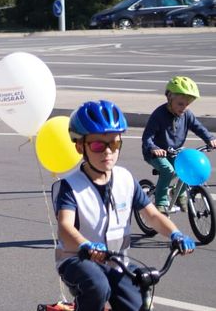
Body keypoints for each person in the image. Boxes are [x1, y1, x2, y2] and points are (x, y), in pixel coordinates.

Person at [53, 100, 195, 310]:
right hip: (77, 260)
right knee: (97, 286)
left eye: (114, 144)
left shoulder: (125, 179)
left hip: (116, 262)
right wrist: (85, 245)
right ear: (80, 146)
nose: (108, 152)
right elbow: (65, 228)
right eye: (99, 145)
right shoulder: (69, 185)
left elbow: (152, 216)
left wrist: (176, 234)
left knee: (138, 304)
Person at [141, 76, 216, 213]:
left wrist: (210, 139)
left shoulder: (186, 114)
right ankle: (161, 202)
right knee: (168, 170)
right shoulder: (159, 115)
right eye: (180, 104)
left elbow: (198, 127)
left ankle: (178, 191)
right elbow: (147, 138)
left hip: (174, 151)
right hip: (154, 153)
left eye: (187, 104)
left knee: (188, 166)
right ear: (169, 98)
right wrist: (154, 148)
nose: (184, 108)